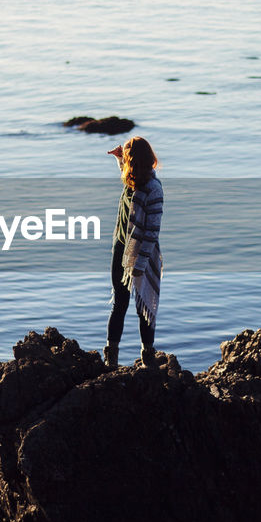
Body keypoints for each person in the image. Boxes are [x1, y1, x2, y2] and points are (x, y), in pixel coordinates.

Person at [104, 136, 162, 368]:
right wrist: (119, 157)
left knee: (143, 306)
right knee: (120, 303)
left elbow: (152, 232)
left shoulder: (153, 188)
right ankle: (111, 357)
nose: (125, 164)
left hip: (142, 255)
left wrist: (140, 265)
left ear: (135, 161)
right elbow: (127, 176)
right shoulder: (133, 180)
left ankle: (147, 356)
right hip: (121, 250)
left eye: (127, 159)